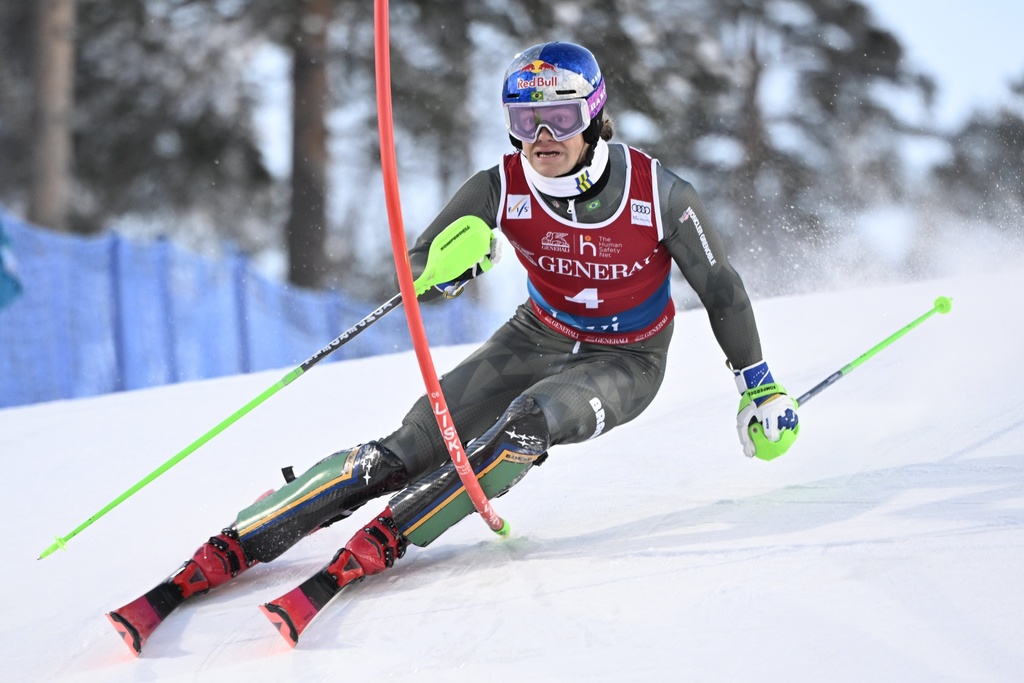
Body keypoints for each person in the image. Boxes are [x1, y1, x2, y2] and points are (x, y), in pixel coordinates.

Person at [108, 41, 799, 650]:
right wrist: (450, 269)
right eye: (524, 120)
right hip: (539, 333)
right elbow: (419, 270)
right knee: (407, 447)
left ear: (591, 115)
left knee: (527, 422)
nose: (541, 135)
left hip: (628, 357)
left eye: (558, 117)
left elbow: (722, 286)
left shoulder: (657, 191)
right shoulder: (501, 184)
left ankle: (388, 537)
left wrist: (758, 383)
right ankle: (240, 537)